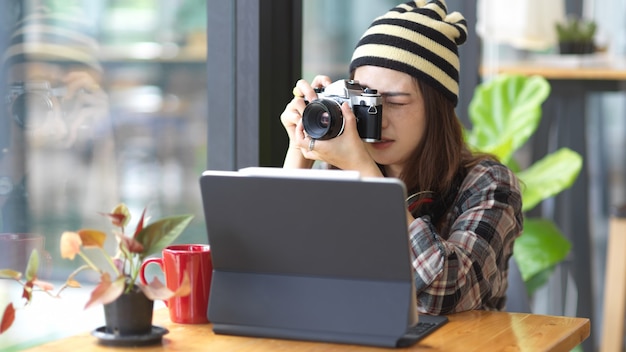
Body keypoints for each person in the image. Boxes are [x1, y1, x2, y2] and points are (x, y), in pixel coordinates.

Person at [280, 0, 523, 315]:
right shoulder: (341, 173)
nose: (378, 120)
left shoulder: (488, 185)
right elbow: (277, 271)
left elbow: (445, 292)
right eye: (367, 103)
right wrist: (300, 151)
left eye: (394, 102)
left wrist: (366, 174)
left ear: (438, 108)